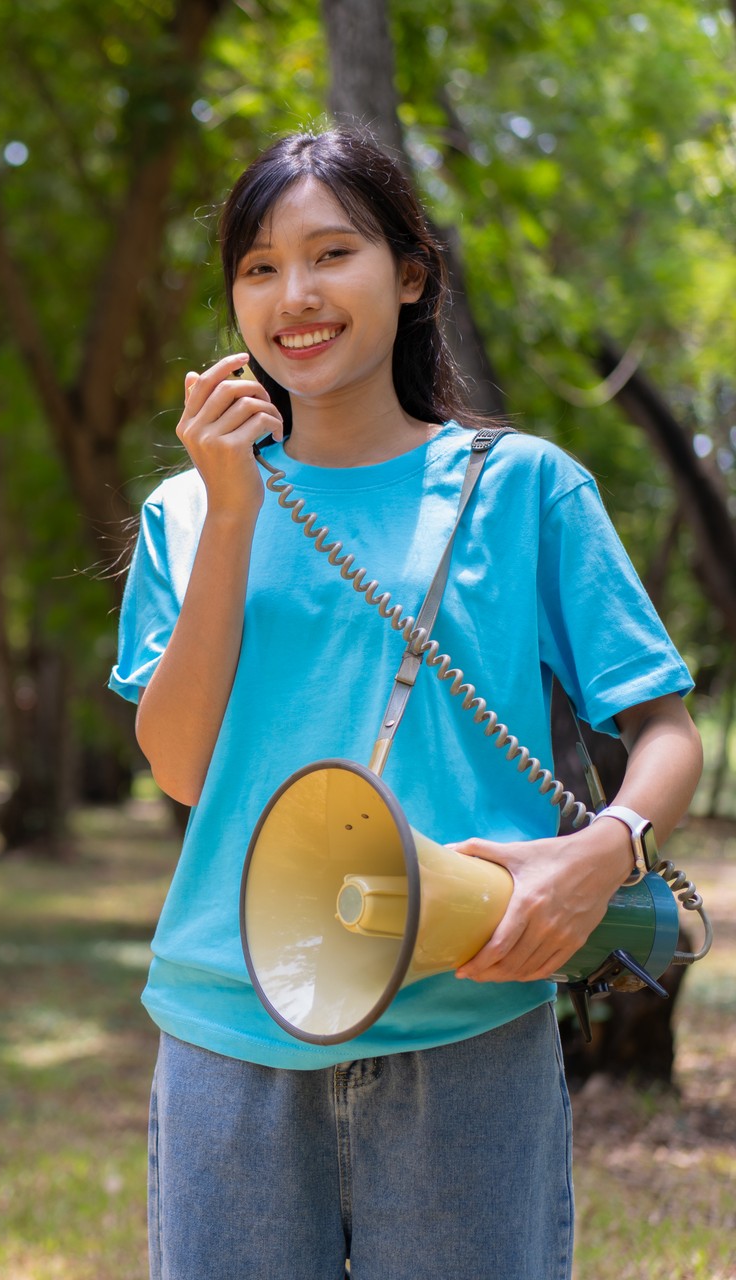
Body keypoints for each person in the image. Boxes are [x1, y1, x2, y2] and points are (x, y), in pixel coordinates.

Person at [109, 129, 702, 1278]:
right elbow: (181, 768)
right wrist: (235, 511)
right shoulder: (184, 514)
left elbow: (665, 730)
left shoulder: (524, 485)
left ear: (412, 272)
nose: (297, 295)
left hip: (468, 1019)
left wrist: (607, 852)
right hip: (232, 1028)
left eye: (333, 253)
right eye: (260, 268)